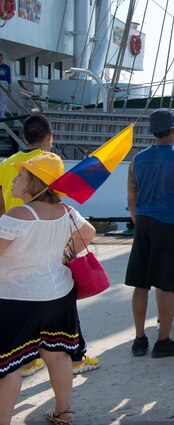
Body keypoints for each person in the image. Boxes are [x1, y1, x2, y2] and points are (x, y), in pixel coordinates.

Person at [0, 112, 101, 377]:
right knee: (57, 312)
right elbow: (86, 231)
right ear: (49, 137)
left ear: (23, 137)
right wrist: (65, 253)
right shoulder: (49, 165)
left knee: (22, 323)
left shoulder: (8, 163)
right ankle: (75, 355)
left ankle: (27, 360)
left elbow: (1, 203)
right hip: (45, 242)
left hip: (13, 242)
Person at [0, 152, 96, 425]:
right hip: (57, 294)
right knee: (57, 354)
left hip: (15, 298)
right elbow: (88, 233)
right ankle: (64, 412)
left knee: (7, 368)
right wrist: (64, 256)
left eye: (21, 174)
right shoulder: (66, 211)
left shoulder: (18, 215)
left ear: (35, 181)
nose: (16, 178)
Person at [125, 108, 174, 358]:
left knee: (140, 283)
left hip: (143, 223)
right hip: (169, 225)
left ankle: (139, 339)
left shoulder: (137, 159)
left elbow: (131, 195)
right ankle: (163, 340)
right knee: (168, 286)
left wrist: (138, 220)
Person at [0, 53, 11, 118]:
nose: (1, 59)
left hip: (4, 83)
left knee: (3, 98)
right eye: (0, 58)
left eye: (2, 58)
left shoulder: (7, 67)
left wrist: (9, 86)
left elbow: (8, 77)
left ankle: (2, 114)